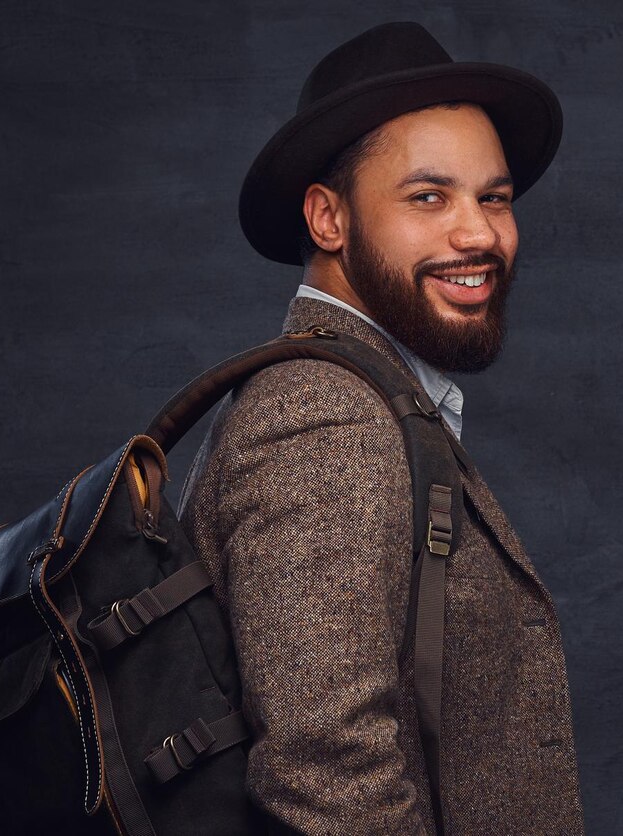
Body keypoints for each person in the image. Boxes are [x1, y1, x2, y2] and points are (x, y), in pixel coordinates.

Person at [178, 21, 583, 835]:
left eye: (493, 197)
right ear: (328, 220)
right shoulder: (323, 418)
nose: (479, 234)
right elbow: (327, 773)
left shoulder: (370, 397)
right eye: (428, 197)